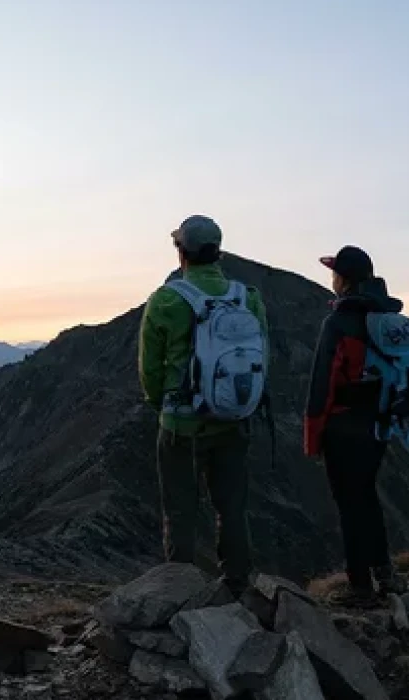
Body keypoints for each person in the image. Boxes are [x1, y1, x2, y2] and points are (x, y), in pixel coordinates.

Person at [138, 214, 269, 595]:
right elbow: (263, 357)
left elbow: (150, 371)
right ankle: (238, 585)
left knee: (180, 511)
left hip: (181, 426)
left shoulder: (165, 300)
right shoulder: (248, 298)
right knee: (231, 508)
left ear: (181, 252)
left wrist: (161, 406)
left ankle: (178, 595)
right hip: (233, 420)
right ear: (218, 251)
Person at [304, 245, 408, 605]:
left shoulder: (339, 320)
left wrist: (312, 434)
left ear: (344, 279)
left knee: (349, 504)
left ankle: (360, 587)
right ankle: (386, 573)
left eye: (334, 273)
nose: (331, 279)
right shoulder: (388, 316)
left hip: (343, 425)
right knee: (366, 494)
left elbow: (323, 381)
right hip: (379, 421)